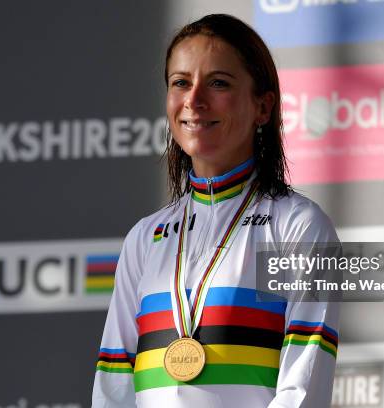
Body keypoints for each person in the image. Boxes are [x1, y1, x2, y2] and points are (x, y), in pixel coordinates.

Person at [92, 14, 340, 408]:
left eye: (218, 83)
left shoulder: (297, 226)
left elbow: (303, 389)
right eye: (180, 83)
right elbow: (113, 387)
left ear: (263, 106)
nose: (194, 100)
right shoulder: (145, 237)